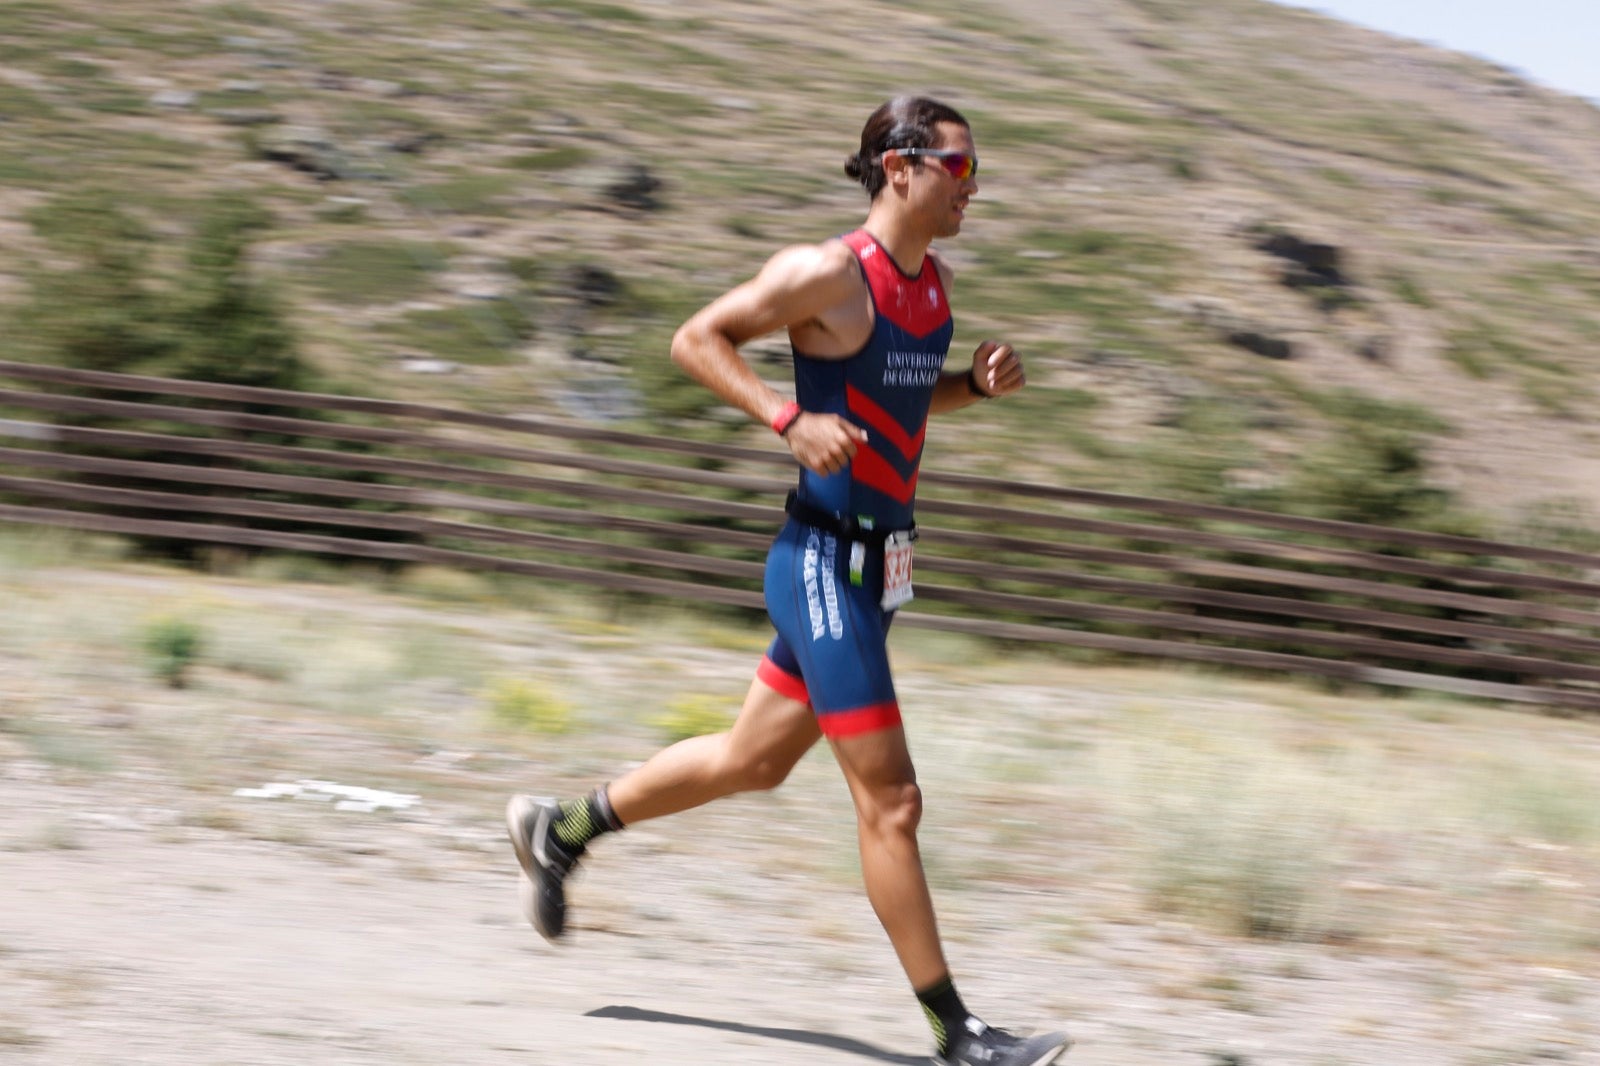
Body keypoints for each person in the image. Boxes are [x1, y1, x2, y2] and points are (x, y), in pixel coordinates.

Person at [506, 95, 1072, 1066]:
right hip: (818, 560)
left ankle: (562, 828)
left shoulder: (928, 287)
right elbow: (696, 339)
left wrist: (971, 386)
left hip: (877, 567)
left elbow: (898, 394)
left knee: (750, 761)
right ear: (902, 168)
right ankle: (956, 1034)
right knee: (891, 802)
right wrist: (782, 417)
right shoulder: (824, 273)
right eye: (962, 168)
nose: (975, 188)